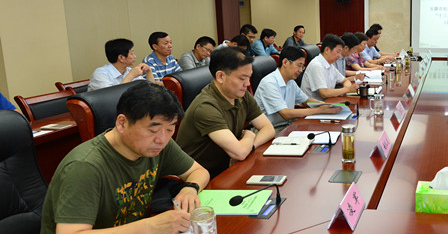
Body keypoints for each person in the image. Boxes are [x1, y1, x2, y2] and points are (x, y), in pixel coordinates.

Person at [37, 82, 210, 234]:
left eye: (170, 128)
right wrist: (151, 226)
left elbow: (199, 171)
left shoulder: (156, 146)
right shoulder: (85, 167)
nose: (163, 139)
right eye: (153, 129)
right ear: (122, 123)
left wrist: (189, 188)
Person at [177, 47, 275, 178]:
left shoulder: (241, 95)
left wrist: (249, 145)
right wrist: (249, 135)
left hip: (230, 168)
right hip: (203, 178)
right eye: (242, 78)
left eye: (249, 77)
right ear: (220, 76)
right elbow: (239, 153)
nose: (247, 84)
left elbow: (268, 128)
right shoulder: (205, 107)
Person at [254, 46, 343, 130]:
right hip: (271, 129)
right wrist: (318, 110)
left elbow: (306, 101)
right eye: (299, 65)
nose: (301, 70)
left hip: (288, 124)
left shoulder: (290, 81)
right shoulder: (269, 83)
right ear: (285, 62)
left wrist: (327, 105)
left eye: (302, 66)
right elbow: (285, 114)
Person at [300, 34, 354, 100]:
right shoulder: (316, 65)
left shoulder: (330, 65)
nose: (340, 56)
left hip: (328, 102)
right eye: (338, 52)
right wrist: (347, 89)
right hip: (314, 105)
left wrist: (346, 88)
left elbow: (345, 80)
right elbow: (324, 93)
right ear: (327, 50)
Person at [88, 38, 156, 91]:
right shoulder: (100, 74)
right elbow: (112, 97)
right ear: (121, 58)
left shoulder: (128, 70)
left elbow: (151, 90)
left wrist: (149, 72)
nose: (135, 56)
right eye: (132, 53)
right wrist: (131, 75)